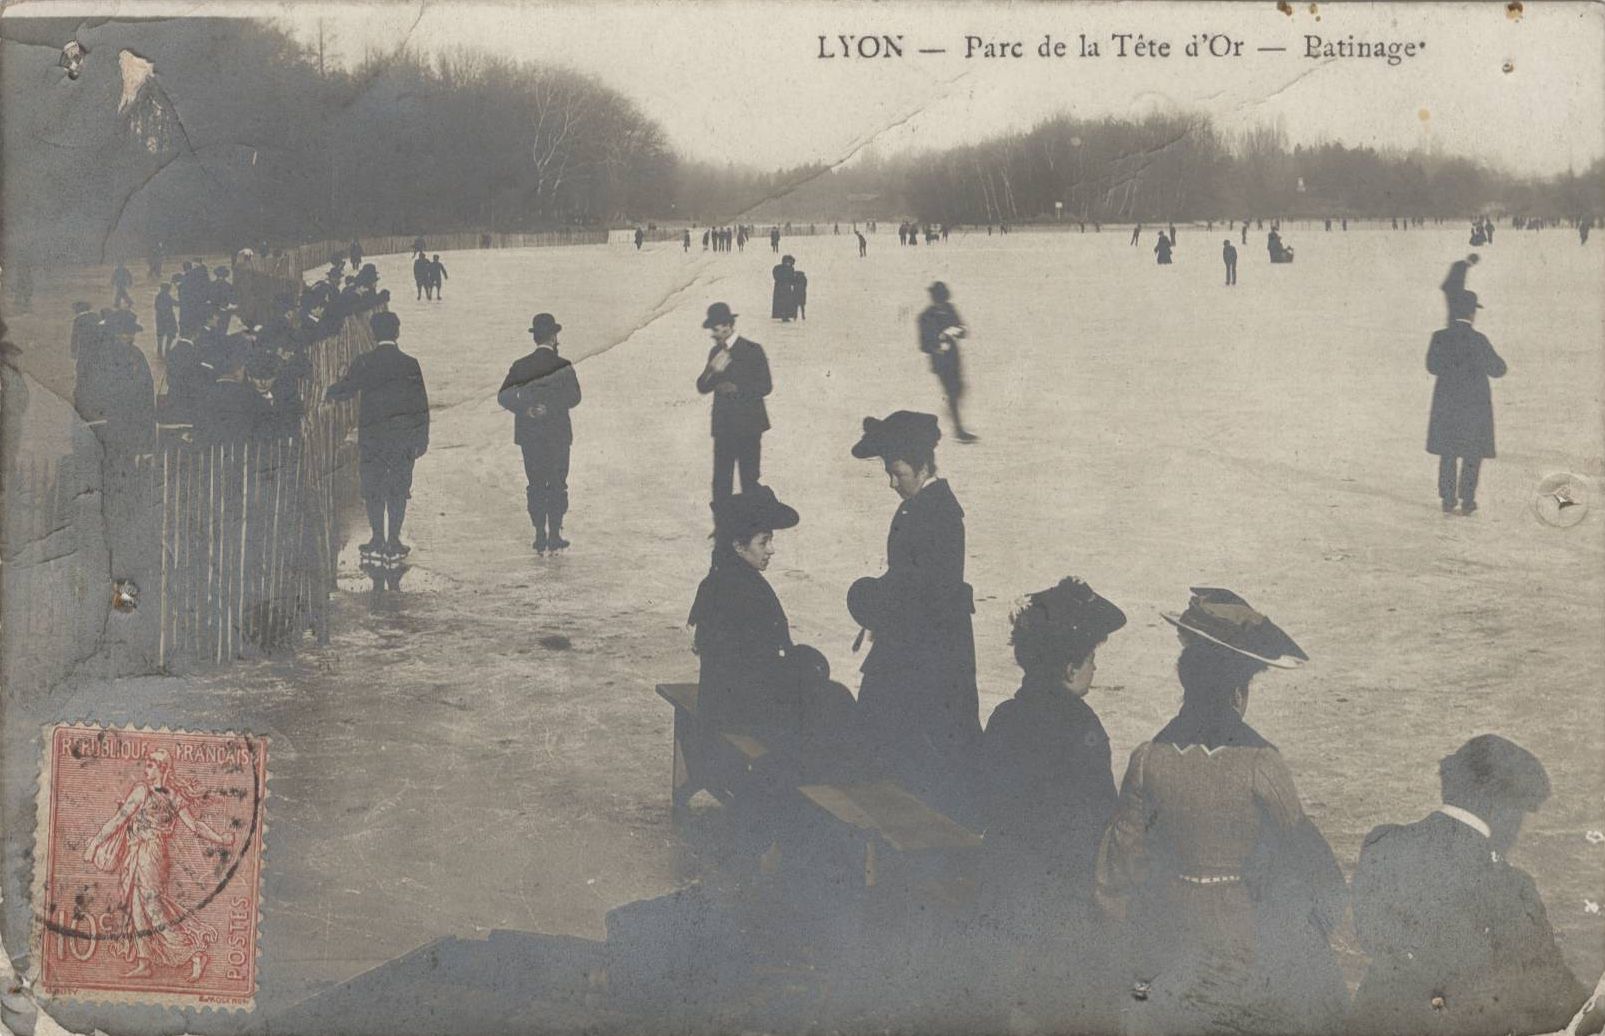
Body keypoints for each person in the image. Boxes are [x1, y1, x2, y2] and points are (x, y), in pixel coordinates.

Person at [1095, 588, 1346, 1035]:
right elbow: (1307, 858)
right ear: (1238, 691)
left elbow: (1120, 866)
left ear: (1185, 680)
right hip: (1241, 933)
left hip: (1168, 928)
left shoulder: (1147, 757)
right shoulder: (1261, 763)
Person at [1350, 735, 1588, 1035]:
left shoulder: (1382, 844)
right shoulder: (1510, 887)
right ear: (1503, 808)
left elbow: (1370, 935)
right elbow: (1554, 993)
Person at [977, 577, 1127, 1024]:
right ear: (1068, 668)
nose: (1094, 669)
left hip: (1005, 892)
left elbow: (987, 802)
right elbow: (1103, 816)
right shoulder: (1081, 725)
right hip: (1065, 903)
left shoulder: (1006, 717)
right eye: (1091, 659)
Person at [846, 411, 980, 820]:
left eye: (897, 472)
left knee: (925, 746)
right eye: (888, 472)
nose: (892, 482)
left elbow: (926, 592)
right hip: (918, 647)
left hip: (930, 654)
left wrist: (870, 597)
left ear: (923, 466)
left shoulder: (937, 514)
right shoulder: (923, 507)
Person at [80, 749, 233, 981]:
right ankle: (145, 962)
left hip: (149, 853)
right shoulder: (173, 795)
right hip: (146, 852)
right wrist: (221, 839)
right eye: (147, 764)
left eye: (151, 764)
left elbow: (120, 819)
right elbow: (194, 826)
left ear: (163, 768)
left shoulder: (145, 791)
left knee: (152, 907)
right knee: (137, 906)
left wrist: (95, 843)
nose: (146, 768)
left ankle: (194, 954)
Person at [325, 311, 430, 556]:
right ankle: (394, 540)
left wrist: (329, 391)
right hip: (403, 439)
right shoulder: (409, 363)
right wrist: (421, 438)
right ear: (397, 332)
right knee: (398, 489)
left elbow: (346, 389)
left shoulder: (364, 361)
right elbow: (420, 405)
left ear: (373, 333)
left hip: (373, 438)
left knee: (373, 488)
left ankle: (377, 538)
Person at [498, 313, 581, 554]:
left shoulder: (521, 365)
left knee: (535, 483)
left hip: (530, 435)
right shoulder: (564, 366)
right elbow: (575, 397)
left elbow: (503, 396)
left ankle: (538, 535)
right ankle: (554, 534)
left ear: (535, 337)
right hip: (558, 435)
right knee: (557, 483)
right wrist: (551, 407)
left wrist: (527, 408)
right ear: (554, 336)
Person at [1427, 290, 1505, 515]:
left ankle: (1448, 499)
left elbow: (1432, 367)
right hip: (1474, 407)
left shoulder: (1439, 336)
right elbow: (1498, 369)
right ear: (1472, 313)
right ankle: (1468, 500)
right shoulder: (1478, 340)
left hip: (1447, 404)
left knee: (1448, 452)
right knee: (1473, 453)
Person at [695, 303, 771, 504]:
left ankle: (752, 529)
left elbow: (765, 386)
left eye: (715, 328)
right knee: (721, 480)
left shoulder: (753, 350)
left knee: (749, 479)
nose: (712, 333)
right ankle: (723, 530)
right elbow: (702, 386)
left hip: (749, 426)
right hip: (724, 426)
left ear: (727, 326)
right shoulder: (715, 353)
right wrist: (711, 370)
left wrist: (737, 388)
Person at [916, 281, 978, 443]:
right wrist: (937, 346)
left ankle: (953, 413)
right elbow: (923, 345)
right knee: (952, 392)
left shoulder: (950, 309)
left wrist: (957, 331)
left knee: (959, 390)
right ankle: (959, 430)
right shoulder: (925, 316)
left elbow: (963, 330)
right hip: (940, 361)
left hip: (954, 358)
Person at [1440, 252, 1479, 320]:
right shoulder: (1462, 266)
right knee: (1453, 308)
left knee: (1453, 308)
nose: (1473, 265)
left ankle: (1452, 323)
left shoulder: (1461, 264)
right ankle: (1452, 324)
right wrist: (1460, 292)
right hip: (1451, 290)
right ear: (1472, 261)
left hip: (1452, 290)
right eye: (1474, 263)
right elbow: (1457, 281)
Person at [770, 255, 797, 321]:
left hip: (782, 288)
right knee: (784, 302)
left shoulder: (778, 268)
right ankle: (784, 315)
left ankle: (784, 315)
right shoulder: (783, 268)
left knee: (784, 302)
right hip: (783, 288)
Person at [154, 282, 178, 355]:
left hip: (160, 318)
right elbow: (175, 303)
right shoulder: (167, 296)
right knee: (171, 334)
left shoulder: (158, 296)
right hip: (168, 318)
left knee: (160, 334)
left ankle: (160, 349)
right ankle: (167, 349)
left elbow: (156, 307)